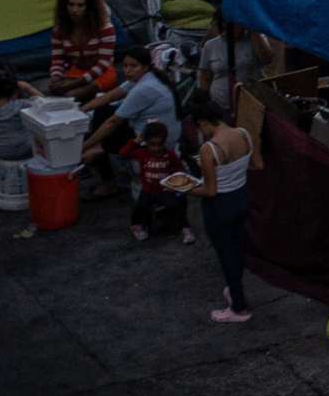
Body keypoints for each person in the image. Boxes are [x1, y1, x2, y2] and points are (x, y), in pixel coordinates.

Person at [182, 103, 254, 324]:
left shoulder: (209, 149)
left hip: (219, 206)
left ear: (203, 122)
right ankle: (234, 290)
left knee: (226, 255)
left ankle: (239, 307)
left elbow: (210, 191)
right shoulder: (244, 134)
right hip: (241, 197)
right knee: (237, 247)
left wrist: (185, 188)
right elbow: (257, 163)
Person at [80, 47, 179, 197]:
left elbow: (113, 122)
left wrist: (85, 146)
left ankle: (107, 175)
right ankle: (99, 153)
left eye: (133, 66)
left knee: (104, 127)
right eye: (125, 66)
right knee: (101, 111)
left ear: (145, 67)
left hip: (154, 138)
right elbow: (110, 96)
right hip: (152, 129)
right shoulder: (143, 78)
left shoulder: (144, 88)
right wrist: (81, 109)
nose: (127, 70)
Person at [122, 120, 192, 244]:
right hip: (148, 190)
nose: (156, 148)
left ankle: (185, 229)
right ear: (146, 142)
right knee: (139, 207)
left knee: (176, 205)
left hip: (165, 190)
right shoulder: (142, 153)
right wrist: (136, 141)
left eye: (159, 144)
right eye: (152, 144)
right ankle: (137, 227)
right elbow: (123, 153)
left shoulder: (169, 154)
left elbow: (179, 169)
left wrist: (175, 184)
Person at [47, 0, 116, 101]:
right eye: (71, 4)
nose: (74, 9)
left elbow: (103, 63)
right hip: (76, 71)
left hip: (102, 73)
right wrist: (56, 77)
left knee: (71, 95)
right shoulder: (59, 30)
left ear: (89, 7)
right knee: (53, 90)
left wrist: (77, 83)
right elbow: (57, 60)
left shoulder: (105, 29)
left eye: (80, 5)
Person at [196, 16, 256, 118]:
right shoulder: (211, 45)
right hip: (219, 104)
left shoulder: (252, 42)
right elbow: (205, 77)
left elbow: (267, 58)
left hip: (247, 104)